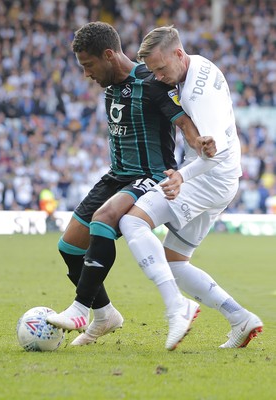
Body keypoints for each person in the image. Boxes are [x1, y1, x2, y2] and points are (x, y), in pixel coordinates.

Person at [46, 22, 215, 346]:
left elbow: (182, 122)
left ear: (109, 55)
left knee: (104, 219)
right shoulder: (111, 85)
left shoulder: (151, 82)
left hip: (150, 175)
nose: (86, 74)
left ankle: (80, 309)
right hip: (116, 175)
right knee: (69, 248)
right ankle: (105, 314)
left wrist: (199, 142)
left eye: (89, 65)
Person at [119, 26, 263, 350]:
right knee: (175, 261)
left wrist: (183, 175)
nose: (157, 77)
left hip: (208, 178)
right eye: (152, 70)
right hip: (222, 181)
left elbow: (216, 153)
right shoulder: (194, 67)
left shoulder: (199, 95)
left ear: (178, 55)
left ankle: (177, 307)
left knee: (132, 220)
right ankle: (240, 318)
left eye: (161, 69)